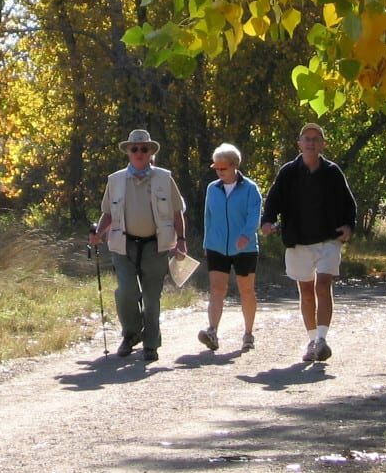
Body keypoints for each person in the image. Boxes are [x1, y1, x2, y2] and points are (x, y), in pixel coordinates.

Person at [87, 129, 188, 362]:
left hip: (156, 246)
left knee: (152, 298)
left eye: (144, 149)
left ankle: (151, 344)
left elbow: (176, 212)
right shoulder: (115, 180)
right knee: (126, 293)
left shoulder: (164, 178)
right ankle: (131, 335)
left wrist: (181, 241)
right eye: (135, 149)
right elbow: (108, 213)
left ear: (151, 152)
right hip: (124, 245)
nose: (140, 153)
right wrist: (98, 233)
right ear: (128, 153)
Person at [260, 123, 357, 363]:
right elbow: (273, 200)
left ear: (323, 144)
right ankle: (312, 341)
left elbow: (349, 204)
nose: (311, 143)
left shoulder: (332, 172)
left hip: (328, 240)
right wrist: (267, 222)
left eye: (316, 139)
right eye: (307, 139)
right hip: (298, 241)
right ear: (299, 144)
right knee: (305, 291)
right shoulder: (288, 172)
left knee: (323, 286)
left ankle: (322, 339)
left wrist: (348, 226)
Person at [198, 143, 261, 353]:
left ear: (234, 166)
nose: (219, 172)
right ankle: (212, 331)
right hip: (217, 245)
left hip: (245, 247)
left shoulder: (251, 188)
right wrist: (207, 242)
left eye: (223, 168)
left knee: (246, 290)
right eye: (216, 168)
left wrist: (246, 234)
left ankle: (248, 334)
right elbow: (208, 217)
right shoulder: (211, 188)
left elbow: (254, 215)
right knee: (217, 289)